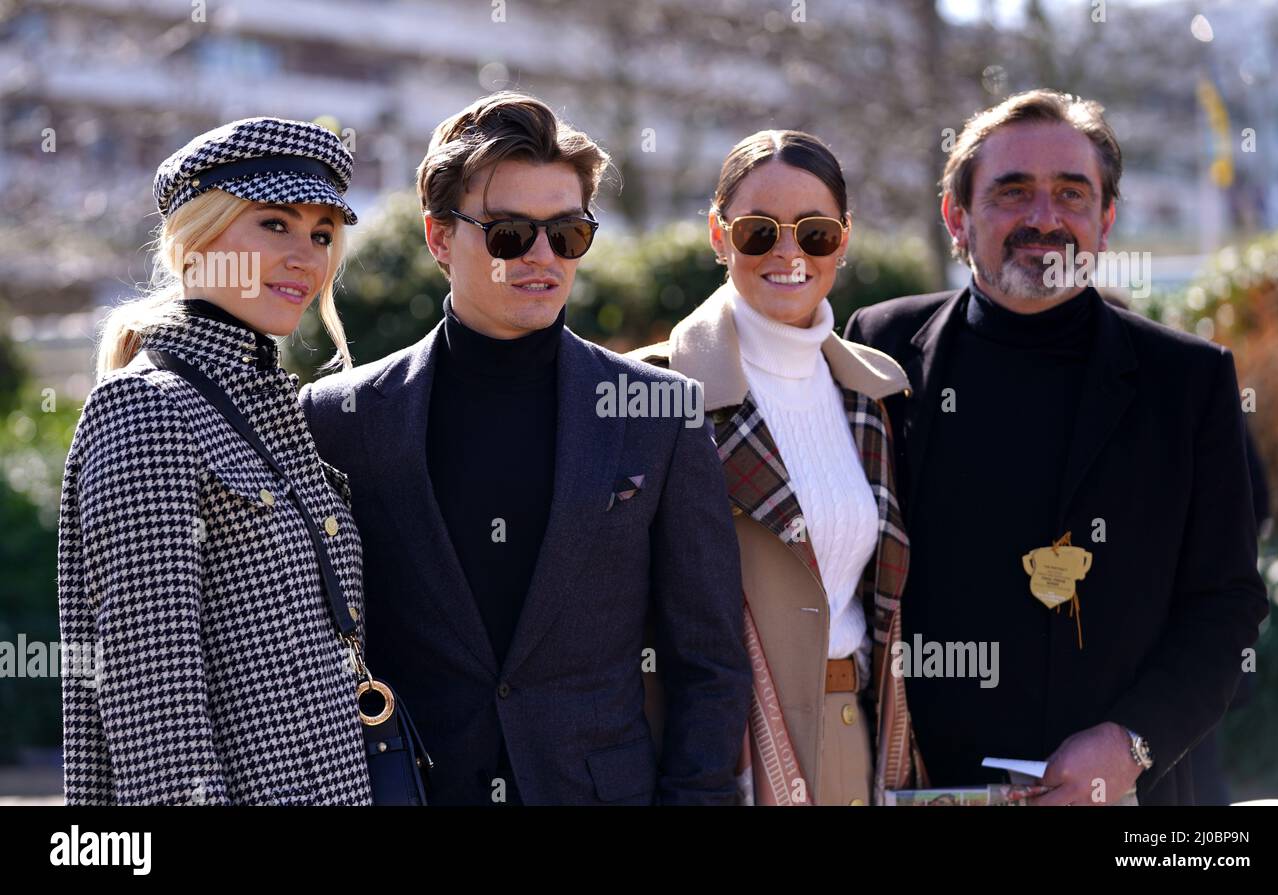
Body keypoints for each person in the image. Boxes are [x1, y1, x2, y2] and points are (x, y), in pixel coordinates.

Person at [299, 92, 751, 805]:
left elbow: (711, 661)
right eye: (509, 232)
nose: (543, 256)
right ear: (440, 237)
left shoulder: (659, 411)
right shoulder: (339, 418)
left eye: (568, 232)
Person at [843, 89, 1269, 805]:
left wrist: (1134, 742)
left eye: (1071, 194)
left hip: (1133, 795)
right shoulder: (878, 348)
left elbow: (1224, 605)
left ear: (1105, 220)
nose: (1044, 218)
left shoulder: (1188, 379)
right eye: (1013, 192)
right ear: (957, 216)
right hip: (917, 783)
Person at [58, 117, 372, 804]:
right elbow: (155, 707)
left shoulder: (270, 403)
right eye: (275, 225)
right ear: (195, 238)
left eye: (321, 234)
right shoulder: (147, 408)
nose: (307, 257)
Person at [631, 130, 924, 805]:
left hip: (859, 740)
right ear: (718, 233)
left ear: (843, 240)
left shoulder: (874, 391)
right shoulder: (652, 389)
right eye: (759, 231)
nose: (789, 253)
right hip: (717, 757)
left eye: (815, 233)